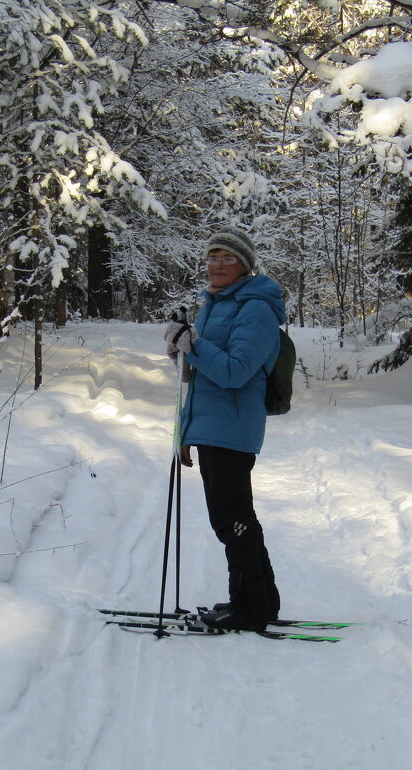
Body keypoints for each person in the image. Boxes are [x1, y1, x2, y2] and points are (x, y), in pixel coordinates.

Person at [164, 229, 285, 631]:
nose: (216, 264)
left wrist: (193, 344)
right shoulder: (213, 304)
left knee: (231, 518)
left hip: (232, 427)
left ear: (245, 265)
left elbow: (234, 371)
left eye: (226, 258)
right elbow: (196, 374)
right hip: (213, 428)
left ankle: (249, 607)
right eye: (212, 256)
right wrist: (182, 346)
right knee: (236, 516)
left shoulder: (256, 309)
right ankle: (259, 601)